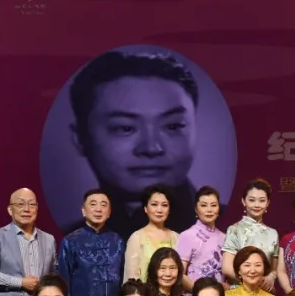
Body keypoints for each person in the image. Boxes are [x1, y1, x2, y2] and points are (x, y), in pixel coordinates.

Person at [67, 50, 201, 240]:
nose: (151, 148)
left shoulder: (230, 232)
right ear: (80, 138)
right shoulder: (67, 242)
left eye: (172, 126)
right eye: (125, 128)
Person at [58, 189, 126, 296]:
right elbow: (63, 281)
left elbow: (123, 279)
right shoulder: (70, 241)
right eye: (93, 204)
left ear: (109, 212)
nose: (98, 209)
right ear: (83, 210)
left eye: (103, 205)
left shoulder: (118, 241)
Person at [221, 179, 279, 291]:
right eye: (252, 200)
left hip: (263, 292)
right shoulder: (235, 230)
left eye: (262, 200)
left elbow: (273, 270)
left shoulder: (273, 233)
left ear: (268, 203)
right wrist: (252, 281)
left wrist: (271, 277)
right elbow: (226, 267)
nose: (257, 205)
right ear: (244, 201)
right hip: (239, 290)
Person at [123, 184, 179, 283]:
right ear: (145, 208)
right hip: (144, 292)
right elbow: (131, 278)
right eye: (154, 204)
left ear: (169, 209)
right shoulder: (137, 238)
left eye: (164, 205)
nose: (159, 210)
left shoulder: (176, 237)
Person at [175, 186, 226, 290]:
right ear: (196, 209)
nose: (209, 210)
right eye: (204, 205)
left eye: (213, 205)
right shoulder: (187, 236)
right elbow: (179, 273)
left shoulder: (224, 237)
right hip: (195, 295)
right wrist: (199, 292)